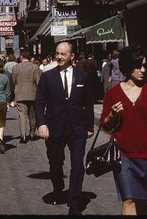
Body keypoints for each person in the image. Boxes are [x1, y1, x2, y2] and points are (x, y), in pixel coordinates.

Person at [100, 45, 147, 216]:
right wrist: (112, 114)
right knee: (128, 199)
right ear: (127, 66)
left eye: (145, 66)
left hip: (146, 153)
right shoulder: (113, 94)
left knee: (141, 199)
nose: (143, 70)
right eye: (138, 65)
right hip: (122, 154)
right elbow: (105, 124)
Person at [35, 41, 95, 215]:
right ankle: (58, 188)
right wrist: (42, 124)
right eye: (57, 54)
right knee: (55, 163)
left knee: (77, 165)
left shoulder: (82, 76)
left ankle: (74, 202)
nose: (59, 57)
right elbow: (39, 102)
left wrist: (89, 126)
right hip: (54, 127)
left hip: (77, 128)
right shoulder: (48, 76)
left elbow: (89, 104)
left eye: (63, 54)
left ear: (72, 56)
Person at [11, 48, 41, 143]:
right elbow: (38, 82)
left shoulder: (16, 68)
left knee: (22, 115)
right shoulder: (35, 67)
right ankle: (32, 132)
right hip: (33, 94)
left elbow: (13, 81)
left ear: (21, 57)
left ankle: (23, 136)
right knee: (32, 115)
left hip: (20, 94)